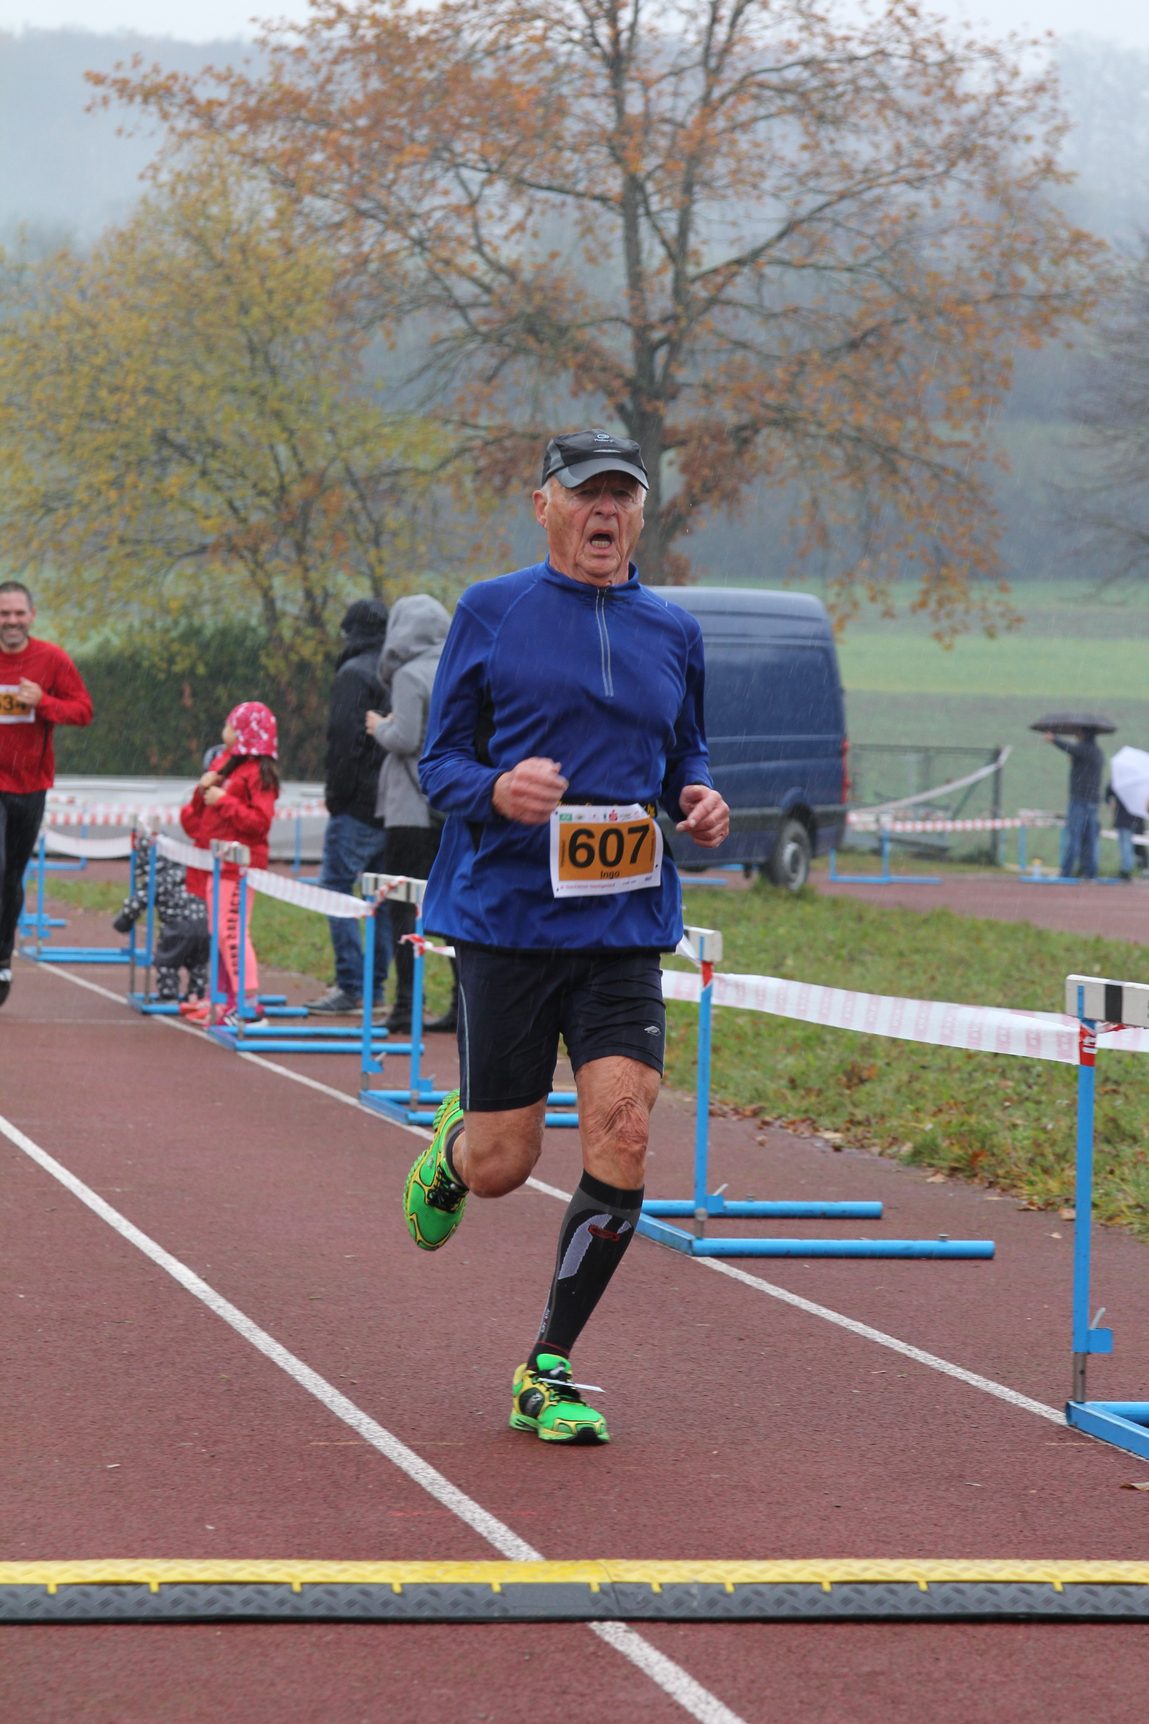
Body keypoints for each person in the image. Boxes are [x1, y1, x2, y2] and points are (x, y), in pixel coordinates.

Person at [401, 429, 729, 1446]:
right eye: (588, 493)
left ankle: (547, 1365)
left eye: (623, 496)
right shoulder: (491, 611)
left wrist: (699, 797)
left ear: (640, 514)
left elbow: (686, 751)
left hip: (622, 924)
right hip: (507, 919)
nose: (606, 511)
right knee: (504, 1162)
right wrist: (497, 789)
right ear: (542, 505)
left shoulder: (673, 629)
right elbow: (438, 763)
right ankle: (455, 1150)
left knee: (624, 1130)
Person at [0, 580, 93, 1009]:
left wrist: (44, 703)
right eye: (4, 614)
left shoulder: (51, 659)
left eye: (18, 613)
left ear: (32, 616)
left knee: (10, 878)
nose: (11, 621)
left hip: (29, 785)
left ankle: (3, 956)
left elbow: (83, 711)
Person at [367, 594, 455, 1035]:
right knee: (450, 906)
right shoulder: (454, 667)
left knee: (402, 907)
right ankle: (463, 1002)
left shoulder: (407, 673)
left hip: (409, 807)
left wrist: (378, 726)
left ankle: (406, 1002)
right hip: (447, 804)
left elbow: (404, 738)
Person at [308, 599, 393, 1015]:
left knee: (335, 890)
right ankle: (374, 989)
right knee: (380, 898)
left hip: (356, 804)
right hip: (392, 804)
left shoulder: (353, 674)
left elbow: (343, 740)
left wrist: (337, 797)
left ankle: (350, 985)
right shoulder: (396, 673)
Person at [180, 702, 279, 1028]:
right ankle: (224, 1000)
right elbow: (196, 821)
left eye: (230, 726)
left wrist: (225, 801)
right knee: (219, 933)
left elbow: (259, 823)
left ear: (245, 733)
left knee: (231, 933)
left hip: (239, 867)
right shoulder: (227, 766)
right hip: (218, 863)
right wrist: (203, 791)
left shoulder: (258, 774)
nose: (224, 732)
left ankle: (250, 1009)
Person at [112, 830, 210, 1002]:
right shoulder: (188, 870)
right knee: (198, 962)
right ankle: (197, 994)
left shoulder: (157, 877)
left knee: (167, 961)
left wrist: (124, 920)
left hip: (177, 926)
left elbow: (139, 901)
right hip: (204, 924)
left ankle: (168, 994)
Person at [1044, 727, 1103, 880]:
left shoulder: (1082, 749)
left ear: (1084, 734)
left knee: (1074, 838)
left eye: (1078, 734)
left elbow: (1069, 748)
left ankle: (1067, 872)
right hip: (1093, 801)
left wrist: (1054, 739)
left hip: (1079, 800)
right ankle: (1090, 874)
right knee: (1091, 841)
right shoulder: (1098, 752)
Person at [1106, 780, 1143, 882]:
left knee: (1125, 845)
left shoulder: (1122, 783)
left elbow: (1109, 791)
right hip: (1131, 820)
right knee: (1128, 845)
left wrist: (1109, 799)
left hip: (1124, 820)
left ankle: (1126, 870)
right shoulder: (1134, 784)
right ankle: (1128, 868)